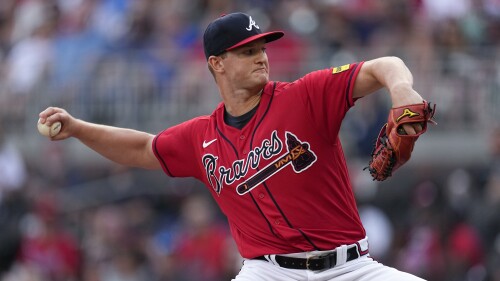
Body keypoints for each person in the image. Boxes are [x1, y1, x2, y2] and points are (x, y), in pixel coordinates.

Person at [39, 12, 428, 281]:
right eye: (247, 51)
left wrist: (402, 91)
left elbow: (385, 64)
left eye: (262, 48)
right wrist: (77, 128)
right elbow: (143, 149)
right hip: (268, 271)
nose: (261, 57)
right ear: (217, 64)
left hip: (350, 268)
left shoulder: (305, 96)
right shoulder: (201, 137)